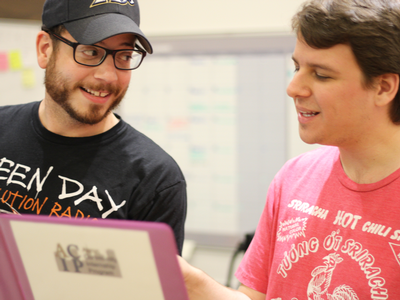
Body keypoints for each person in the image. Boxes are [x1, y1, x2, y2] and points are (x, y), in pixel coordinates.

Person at [179, 0, 400, 298]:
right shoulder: (294, 177)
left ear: (384, 87)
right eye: (297, 67)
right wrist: (191, 281)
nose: (294, 87)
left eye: (321, 74)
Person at [0, 0, 187, 254]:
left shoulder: (155, 180)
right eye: (90, 52)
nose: (108, 76)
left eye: (124, 55)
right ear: (45, 49)